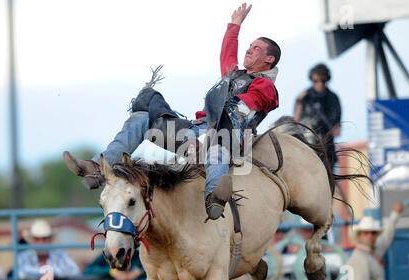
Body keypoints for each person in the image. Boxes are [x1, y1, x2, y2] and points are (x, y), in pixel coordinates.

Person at [63, 3, 280, 221]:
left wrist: (207, 136)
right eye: (250, 46)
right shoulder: (234, 74)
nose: (249, 50)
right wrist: (234, 25)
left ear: (269, 60)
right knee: (142, 117)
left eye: (257, 49)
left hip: (226, 136)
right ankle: (96, 169)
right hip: (193, 132)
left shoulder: (266, 86)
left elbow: (241, 111)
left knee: (218, 146)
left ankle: (214, 197)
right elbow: (227, 54)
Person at [347, 202, 405, 280]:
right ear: (359, 236)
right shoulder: (359, 258)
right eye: (366, 233)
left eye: (373, 233)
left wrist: (395, 214)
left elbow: (387, 236)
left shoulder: (373, 251)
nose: (370, 236)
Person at [293, 63, 341, 169]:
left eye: (323, 81)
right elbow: (295, 121)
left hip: (326, 149)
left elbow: (337, 130)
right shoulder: (304, 97)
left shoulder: (333, 98)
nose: (319, 84)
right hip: (306, 147)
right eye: (316, 81)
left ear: (327, 80)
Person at [16, 219, 80, 280]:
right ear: (32, 240)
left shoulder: (60, 254)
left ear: (50, 239)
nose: (41, 242)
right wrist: (52, 273)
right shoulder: (24, 256)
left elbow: (74, 270)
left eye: (44, 238)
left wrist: (47, 273)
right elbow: (23, 273)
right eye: (37, 239)